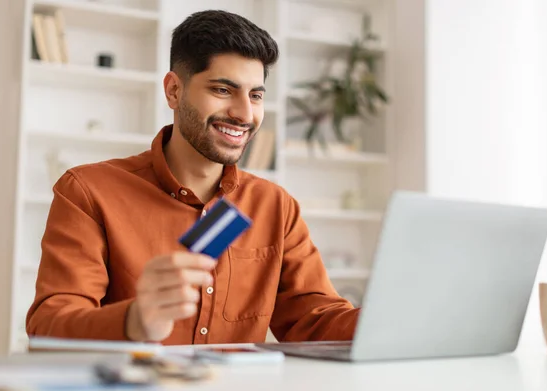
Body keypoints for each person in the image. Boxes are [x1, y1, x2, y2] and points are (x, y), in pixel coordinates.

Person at [26, 10, 359, 345]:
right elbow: (49, 326)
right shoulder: (88, 191)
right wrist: (135, 321)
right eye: (222, 90)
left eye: (255, 95)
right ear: (174, 91)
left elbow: (316, 321)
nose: (245, 114)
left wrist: (397, 319)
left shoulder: (276, 206)